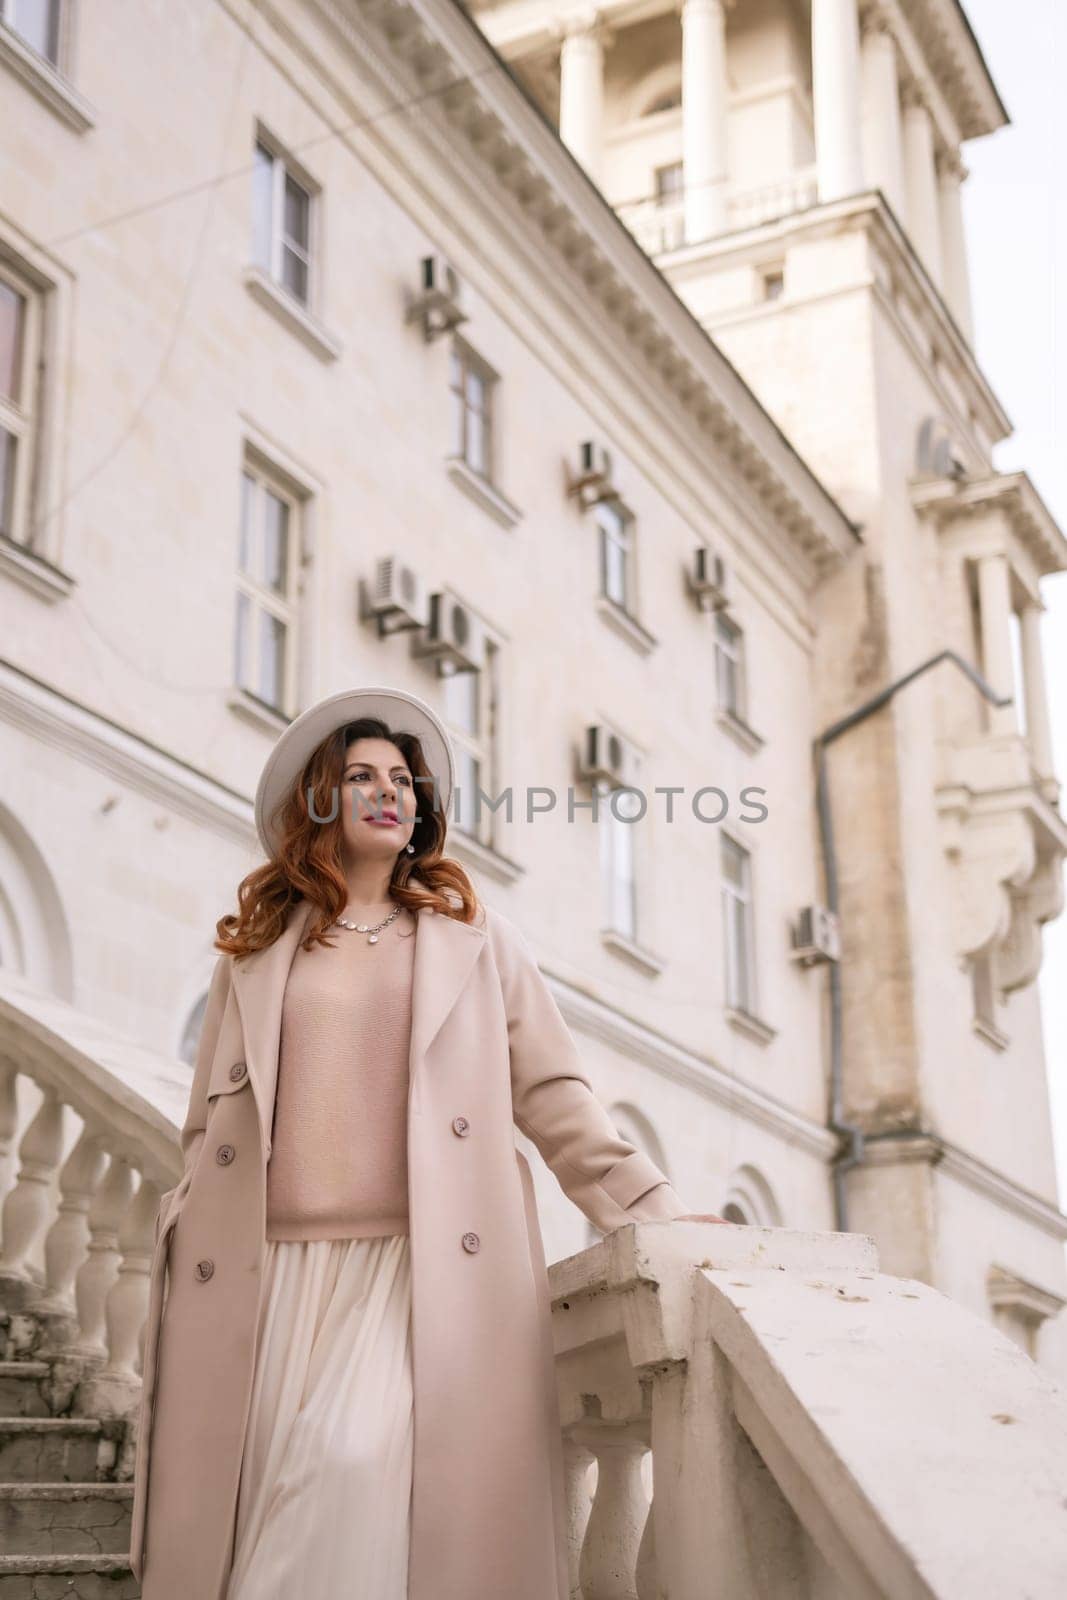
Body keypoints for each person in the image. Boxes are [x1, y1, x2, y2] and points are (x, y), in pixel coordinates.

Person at [130, 683, 723, 1600]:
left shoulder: (475, 944)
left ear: (420, 810)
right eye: (359, 775)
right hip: (267, 1277)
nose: (386, 790)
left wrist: (656, 1213)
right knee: (259, 1518)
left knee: (344, 1475)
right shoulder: (254, 953)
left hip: (414, 1274)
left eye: (401, 779)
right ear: (318, 802)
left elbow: (555, 1097)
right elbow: (209, 1129)